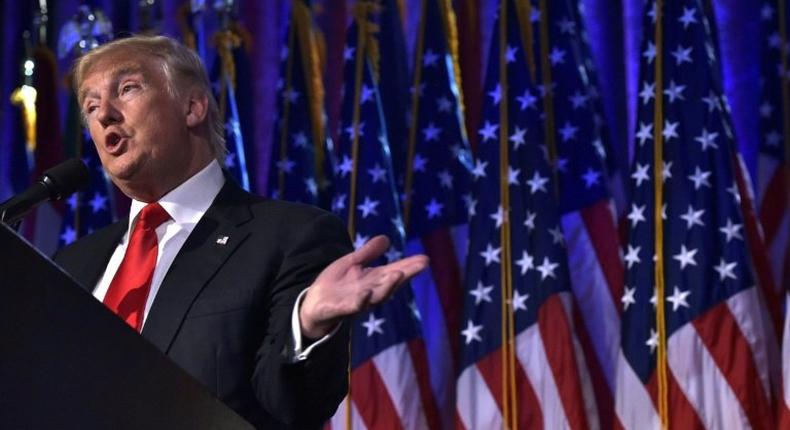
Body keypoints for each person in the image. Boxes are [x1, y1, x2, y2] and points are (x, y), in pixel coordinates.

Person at [52, 35, 427, 428]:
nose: (104, 115)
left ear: (193, 107)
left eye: (127, 89)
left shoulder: (290, 236)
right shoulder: (72, 264)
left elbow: (293, 407)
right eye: (90, 106)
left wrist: (308, 326)